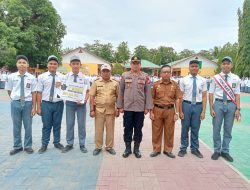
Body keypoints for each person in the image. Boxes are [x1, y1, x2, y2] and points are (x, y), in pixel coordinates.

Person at [117, 56, 153, 158]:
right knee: (127, 128)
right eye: (133, 63)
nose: (135, 65)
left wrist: (147, 107)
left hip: (140, 108)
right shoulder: (124, 75)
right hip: (128, 108)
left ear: (140, 65)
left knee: (138, 129)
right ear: (131, 64)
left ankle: (136, 149)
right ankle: (127, 148)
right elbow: (121, 91)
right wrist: (120, 106)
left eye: (137, 63)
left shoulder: (145, 76)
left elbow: (148, 93)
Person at [209, 56, 241, 162]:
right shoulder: (215, 78)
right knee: (216, 129)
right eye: (224, 63)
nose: (226, 65)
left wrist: (238, 109)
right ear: (221, 65)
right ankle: (217, 151)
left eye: (228, 63)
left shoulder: (236, 78)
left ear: (231, 65)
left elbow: (237, 94)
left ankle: (225, 151)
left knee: (228, 129)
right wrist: (211, 108)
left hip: (231, 105)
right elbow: (211, 93)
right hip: (218, 104)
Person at [5, 55, 37, 155]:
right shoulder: (11, 77)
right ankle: (17, 146)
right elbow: (9, 91)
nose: (22, 64)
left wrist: (34, 107)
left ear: (27, 65)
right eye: (20, 62)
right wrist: (15, 99)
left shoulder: (32, 78)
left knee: (28, 126)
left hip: (28, 103)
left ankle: (28, 146)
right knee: (16, 125)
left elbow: (34, 93)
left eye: (24, 62)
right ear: (17, 64)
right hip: (15, 103)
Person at [150, 65, 182, 158]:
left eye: (168, 72)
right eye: (164, 72)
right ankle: (156, 149)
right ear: (161, 74)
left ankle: (168, 150)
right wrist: (151, 112)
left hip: (170, 110)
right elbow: (152, 98)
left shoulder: (175, 84)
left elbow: (177, 99)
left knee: (169, 131)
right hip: (157, 110)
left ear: (171, 73)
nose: (166, 74)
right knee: (156, 131)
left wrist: (177, 113)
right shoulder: (155, 84)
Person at [178, 59, 207, 158]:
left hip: (198, 106)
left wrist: (203, 111)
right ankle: (183, 148)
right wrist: (180, 111)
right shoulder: (183, 80)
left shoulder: (203, 80)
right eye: (192, 66)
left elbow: (204, 96)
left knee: (195, 128)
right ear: (189, 68)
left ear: (199, 68)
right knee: (185, 128)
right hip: (186, 105)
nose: (194, 68)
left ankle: (195, 149)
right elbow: (180, 97)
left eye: (196, 66)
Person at [89, 63, 119, 156]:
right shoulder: (96, 82)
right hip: (99, 110)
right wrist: (92, 110)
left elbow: (118, 97)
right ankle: (98, 147)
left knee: (110, 130)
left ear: (110, 72)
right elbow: (91, 96)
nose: (106, 73)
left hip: (111, 110)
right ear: (101, 72)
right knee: (98, 130)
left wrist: (117, 109)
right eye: (104, 71)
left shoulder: (115, 83)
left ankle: (109, 147)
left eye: (107, 71)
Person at [37, 55, 65, 154]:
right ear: (47, 65)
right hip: (46, 104)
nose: (53, 65)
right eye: (51, 63)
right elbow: (39, 92)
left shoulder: (62, 77)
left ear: (57, 65)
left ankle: (57, 142)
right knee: (46, 125)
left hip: (58, 104)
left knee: (57, 124)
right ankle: (44, 144)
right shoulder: (41, 77)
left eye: (55, 64)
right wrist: (38, 107)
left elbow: (66, 90)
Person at [62, 55, 90, 153]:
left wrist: (84, 100)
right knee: (69, 124)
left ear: (80, 65)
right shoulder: (65, 77)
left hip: (81, 105)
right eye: (73, 64)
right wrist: (64, 97)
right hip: (70, 104)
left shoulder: (85, 78)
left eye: (77, 64)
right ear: (70, 65)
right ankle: (69, 144)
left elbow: (88, 92)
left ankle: (82, 144)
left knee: (81, 125)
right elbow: (63, 89)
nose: (75, 66)